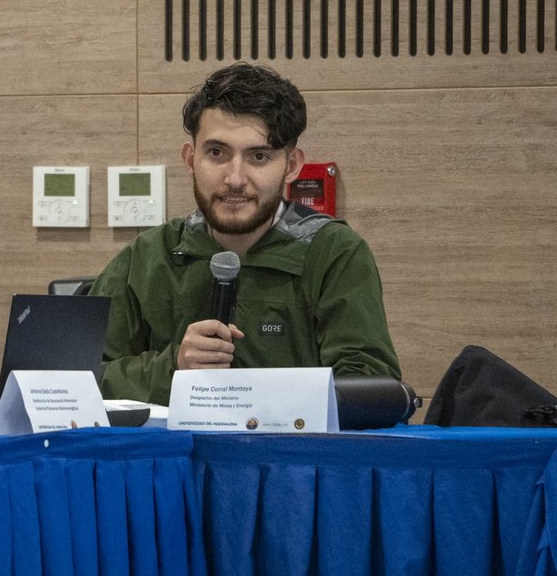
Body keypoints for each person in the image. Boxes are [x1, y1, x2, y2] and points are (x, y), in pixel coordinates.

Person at [92, 63, 401, 404]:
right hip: (172, 456)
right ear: (190, 159)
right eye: (216, 153)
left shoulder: (333, 253)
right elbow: (75, 379)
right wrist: (174, 368)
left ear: (292, 165)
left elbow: (371, 385)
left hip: (289, 455)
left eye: (258, 156)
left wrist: (259, 399)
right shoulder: (148, 256)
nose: (235, 178)